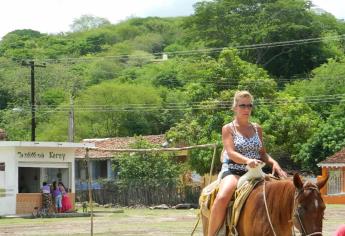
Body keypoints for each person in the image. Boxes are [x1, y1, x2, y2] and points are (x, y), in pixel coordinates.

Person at [207, 90, 287, 236]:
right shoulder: (228, 128)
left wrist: (274, 163)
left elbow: (262, 154)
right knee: (223, 197)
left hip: (256, 171)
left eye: (249, 105)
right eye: (242, 105)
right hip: (234, 170)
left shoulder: (257, 128)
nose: (246, 109)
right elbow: (230, 152)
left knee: (281, 193)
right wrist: (247, 160)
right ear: (235, 107)